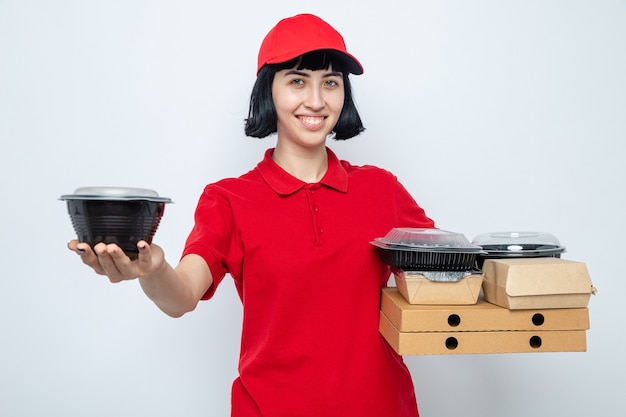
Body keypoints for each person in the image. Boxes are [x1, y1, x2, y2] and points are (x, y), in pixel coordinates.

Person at [68, 13, 435, 417]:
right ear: (268, 91)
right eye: (297, 80)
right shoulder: (229, 200)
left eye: (330, 82)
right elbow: (182, 295)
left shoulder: (382, 190)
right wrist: (153, 270)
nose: (317, 100)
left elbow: (448, 272)